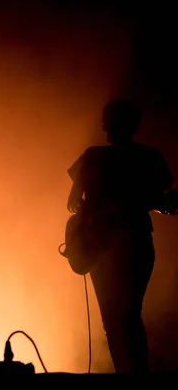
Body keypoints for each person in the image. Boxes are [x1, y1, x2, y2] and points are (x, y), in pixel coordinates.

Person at [66, 99, 174, 373]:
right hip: (130, 244)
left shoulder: (93, 157)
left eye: (108, 121)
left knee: (114, 320)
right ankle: (133, 373)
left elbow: (72, 201)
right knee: (126, 316)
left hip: (99, 246)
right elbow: (164, 201)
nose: (105, 127)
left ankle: (129, 373)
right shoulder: (149, 157)